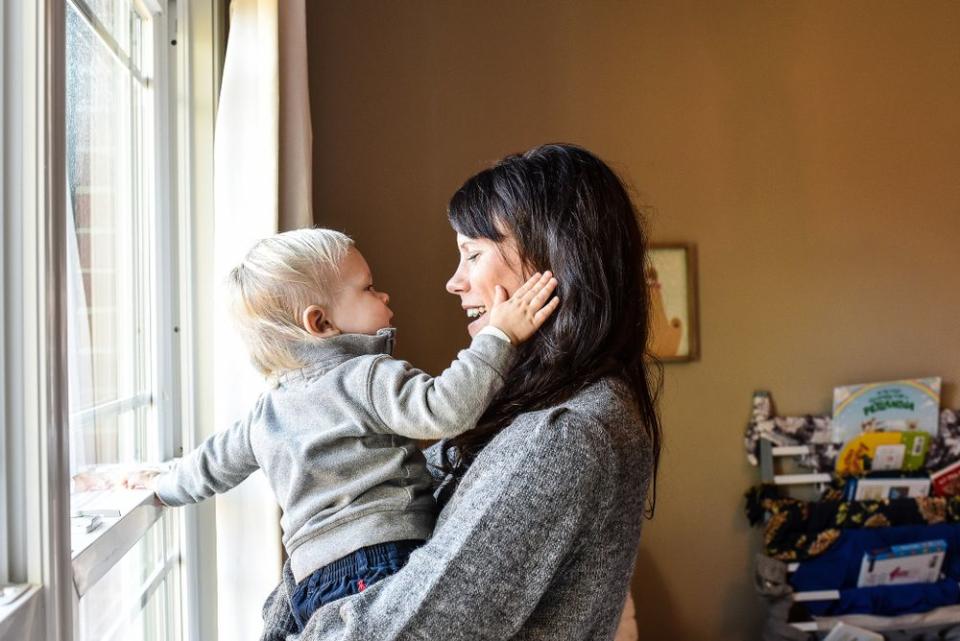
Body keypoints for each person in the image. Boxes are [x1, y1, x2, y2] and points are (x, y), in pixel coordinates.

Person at [260, 143, 663, 640]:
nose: (454, 283)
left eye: (472, 254)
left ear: (556, 256)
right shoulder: (529, 408)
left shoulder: (567, 432)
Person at [103, 228, 559, 631]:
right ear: (320, 322)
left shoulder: (266, 412)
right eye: (369, 288)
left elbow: (211, 464)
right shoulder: (365, 376)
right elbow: (444, 410)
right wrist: (498, 338)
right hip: (379, 560)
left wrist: (163, 486)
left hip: (308, 583)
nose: (384, 297)